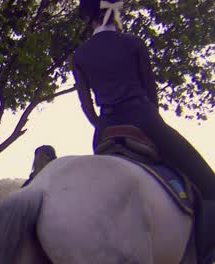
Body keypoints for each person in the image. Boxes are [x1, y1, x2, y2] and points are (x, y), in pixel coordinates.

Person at [73, 0, 215, 262]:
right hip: (144, 118)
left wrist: (102, 125)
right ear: (112, 13)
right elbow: (151, 91)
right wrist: (148, 120)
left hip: (104, 129)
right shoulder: (132, 43)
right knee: (209, 184)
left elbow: (86, 104)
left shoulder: (80, 55)